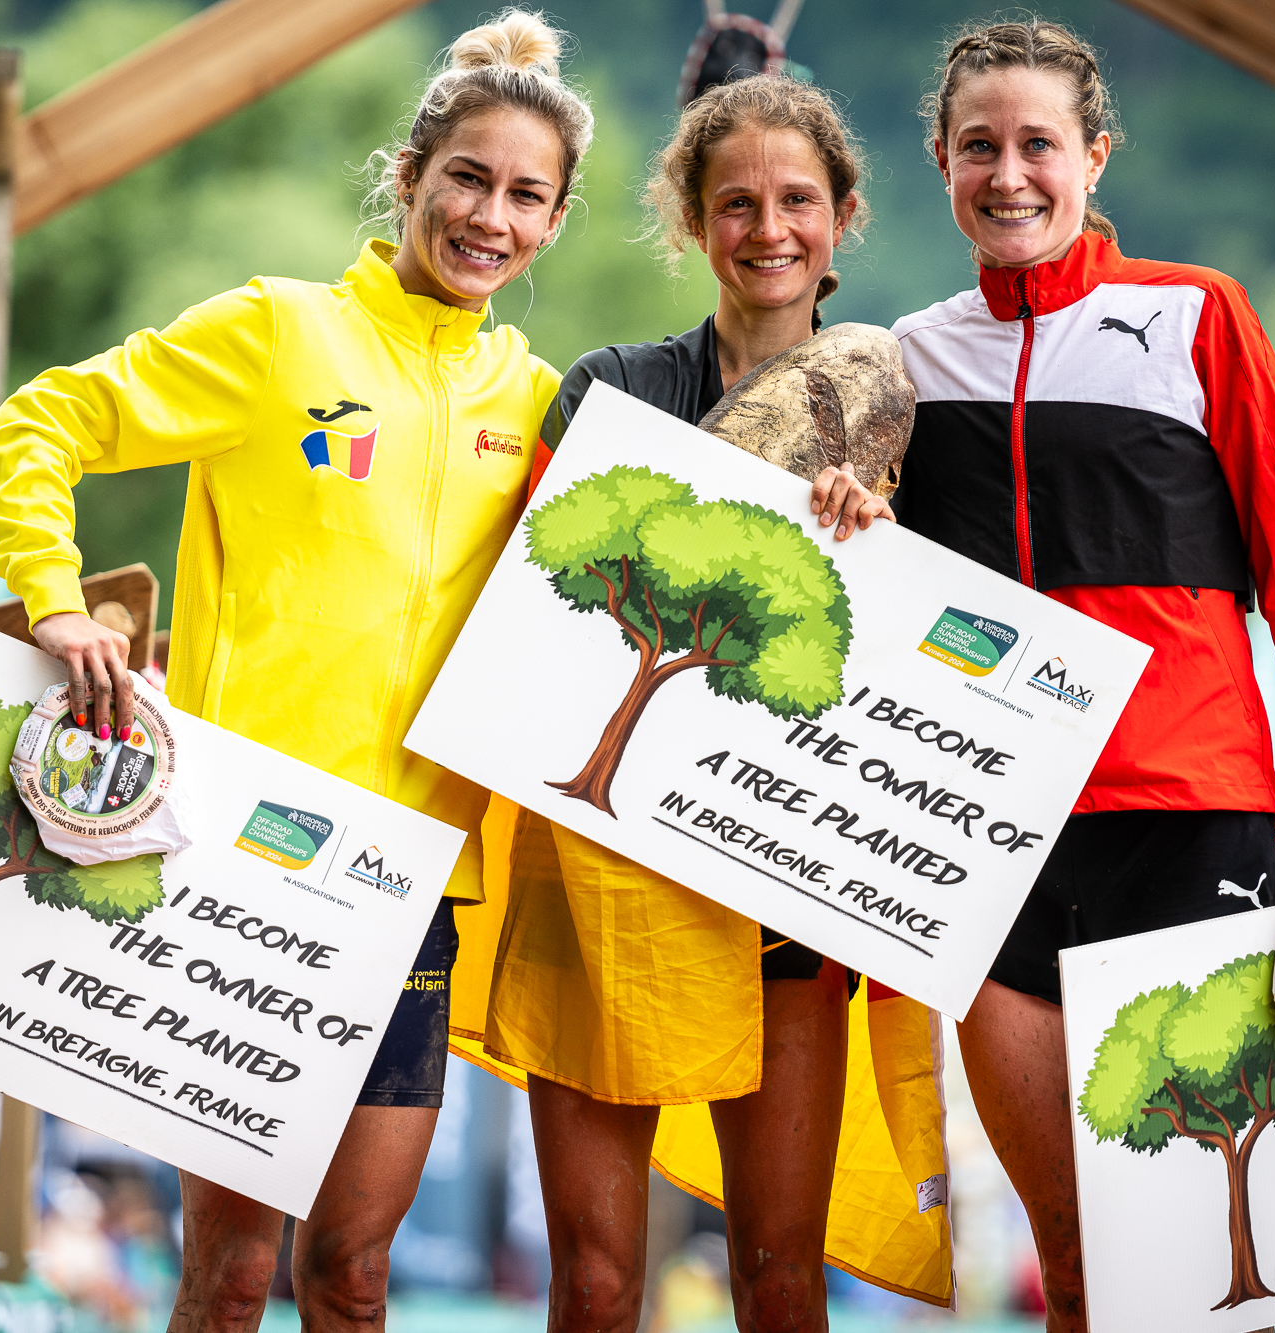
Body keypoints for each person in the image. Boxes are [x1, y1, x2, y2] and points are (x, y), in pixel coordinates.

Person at [0, 13, 592, 1331]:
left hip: (412, 883)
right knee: (231, 1272)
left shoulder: (541, 405)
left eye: (523, 195)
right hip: (239, 852)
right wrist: (57, 603)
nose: (488, 216)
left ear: (553, 221)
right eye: (466, 178)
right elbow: (42, 422)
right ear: (409, 175)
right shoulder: (276, 333)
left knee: (353, 1276)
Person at [890, 19, 1275, 1330]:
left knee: (1206, 1268)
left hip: (1185, 821)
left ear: (1095, 157)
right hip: (991, 837)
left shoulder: (1195, 315)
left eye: (1039, 145)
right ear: (941, 161)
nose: (1010, 175)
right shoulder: (907, 357)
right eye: (979, 146)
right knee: (1071, 1264)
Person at [453, 74, 943, 1333]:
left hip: (780, 893)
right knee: (595, 1284)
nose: (767, 230)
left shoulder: (902, 418)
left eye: (796, 202)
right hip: (600, 885)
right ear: (690, 218)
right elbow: (531, 615)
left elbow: (925, 674)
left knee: (778, 1281)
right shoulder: (606, 389)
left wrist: (881, 552)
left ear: (841, 215)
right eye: (735, 203)